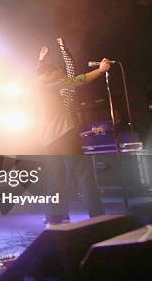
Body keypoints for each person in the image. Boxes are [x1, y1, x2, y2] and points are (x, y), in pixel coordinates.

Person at [34, 46, 108, 225]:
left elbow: (39, 72)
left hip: (47, 139)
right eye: (58, 74)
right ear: (50, 74)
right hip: (64, 134)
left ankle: (55, 217)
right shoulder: (48, 81)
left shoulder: (34, 82)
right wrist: (100, 70)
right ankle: (98, 216)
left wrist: (41, 60)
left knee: (55, 176)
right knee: (83, 173)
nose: (60, 77)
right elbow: (77, 80)